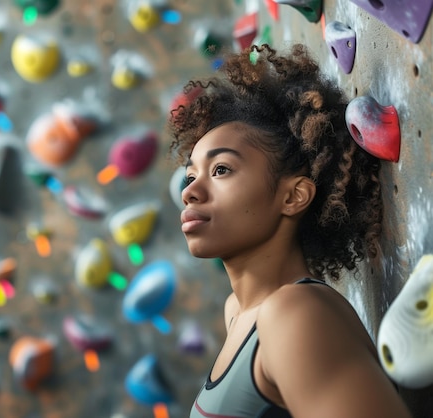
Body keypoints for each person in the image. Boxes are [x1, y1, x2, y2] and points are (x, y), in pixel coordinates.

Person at [168, 44, 412, 418]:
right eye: (190, 176)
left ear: (294, 196)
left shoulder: (294, 314)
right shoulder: (237, 313)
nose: (189, 192)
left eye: (221, 170)